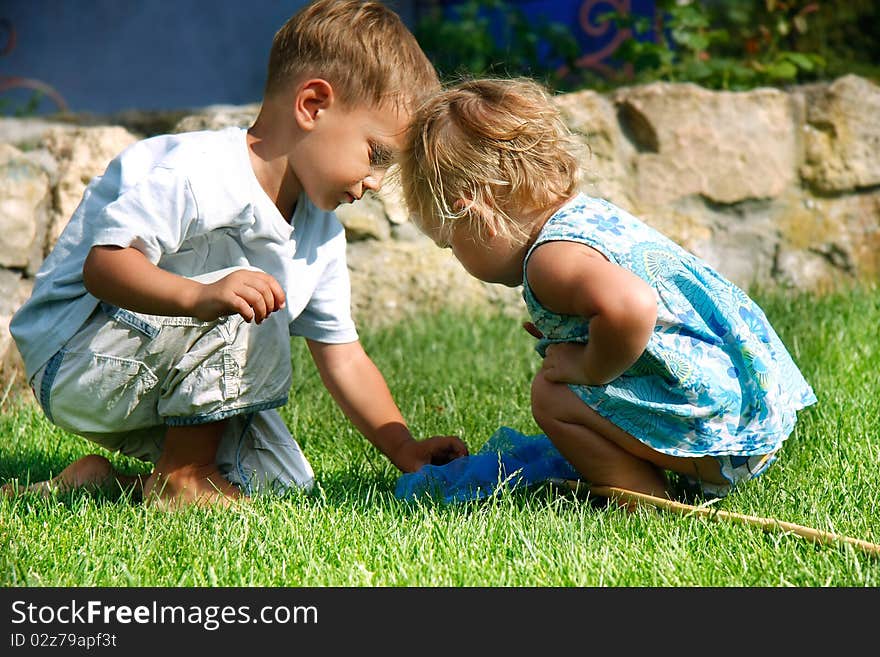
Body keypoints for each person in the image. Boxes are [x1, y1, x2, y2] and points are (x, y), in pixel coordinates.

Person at [3, 0, 467, 510]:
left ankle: (104, 485)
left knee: (282, 481)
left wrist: (402, 445)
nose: (376, 182)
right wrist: (200, 296)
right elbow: (105, 266)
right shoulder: (199, 171)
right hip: (76, 352)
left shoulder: (320, 232)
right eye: (375, 154)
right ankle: (185, 474)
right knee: (251, 288)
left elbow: (344, 355)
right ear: (312, 105)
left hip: (149, 364)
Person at [397, 77, 817, 500]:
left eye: (450, 243)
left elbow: (631, 305)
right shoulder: (588, 217)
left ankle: (642, 499)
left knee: (551, 396)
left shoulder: (550, 260)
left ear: (472, 210)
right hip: (755, 411)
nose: (456, 255)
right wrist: (578, 335)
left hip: (718, 436)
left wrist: (589, 368)